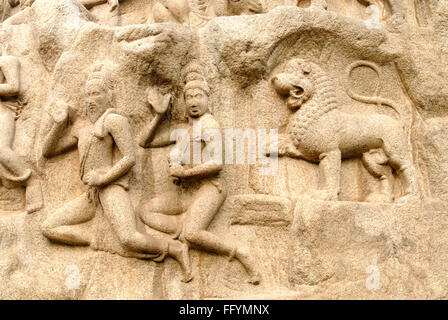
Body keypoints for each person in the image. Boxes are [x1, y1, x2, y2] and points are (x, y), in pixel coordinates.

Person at [41, 63, 192, 282]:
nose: (90, 100)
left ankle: (175, 249)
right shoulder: (82, 129)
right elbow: (48, 151)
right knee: (49, 227)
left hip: (111, 188)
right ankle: (98, 239)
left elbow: (129, 157)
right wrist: (59, 123)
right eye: (87, 95)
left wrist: (104, 178)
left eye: (96, 94)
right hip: (91, 195)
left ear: (108, 96)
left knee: (129, 238)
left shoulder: (113, 120)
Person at [137, 65, 260, 284]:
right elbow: (145, 141)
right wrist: (159, 115)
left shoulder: (209, 124)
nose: (193, 101)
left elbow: (216, 163)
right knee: (145, 210)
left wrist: (185, 172)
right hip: (185, 193)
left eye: (198, 96)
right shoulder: (183, 130)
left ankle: (240, 253)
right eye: (189, 97)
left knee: (193, 234)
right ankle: (180, 230)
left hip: (209, 189)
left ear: (207, 99)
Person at [0, 55, 43, 213]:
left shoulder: (6, 61)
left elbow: (13, 87)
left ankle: (31, 182)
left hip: (3, 111)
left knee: (1, 149)